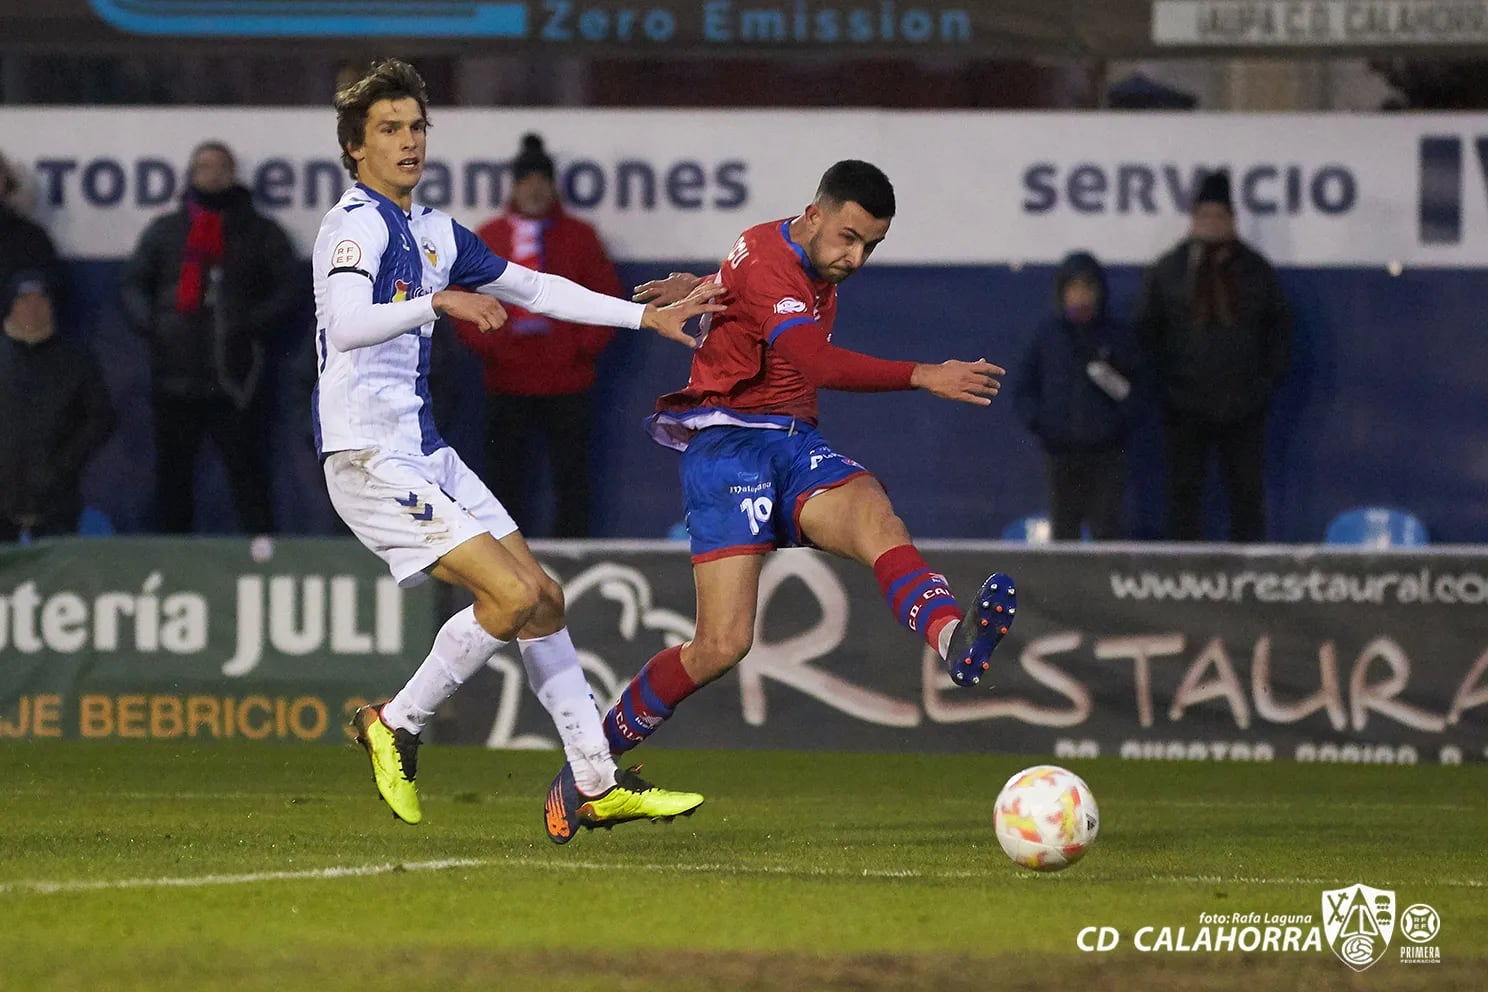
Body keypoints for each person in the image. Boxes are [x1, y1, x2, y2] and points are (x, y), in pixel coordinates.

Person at [314, 59, 722, 843]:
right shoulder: (353, 226)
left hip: (423, 449)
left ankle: (595, 784)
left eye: (416, 127)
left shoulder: (433, 230)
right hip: (366, 456)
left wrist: (644, 322)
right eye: (389, 130)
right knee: (505, 599)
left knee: (543, 599)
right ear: (356, 149)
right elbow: (347, 321)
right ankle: (392, 723)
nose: (408, 142)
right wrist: (439, 300)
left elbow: (534, 289)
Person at [596, 160, 1017, 764]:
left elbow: (753, 280)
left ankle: (953, 637)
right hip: (730, 447)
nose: (855, 259)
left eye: (871, 246)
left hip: (792, 442)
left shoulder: (781, 251)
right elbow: (814, 362)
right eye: (849, 238)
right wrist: (925, 374)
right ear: (814, 215)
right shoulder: (773, 262)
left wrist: (705, 284)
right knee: (721, 644)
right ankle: (591, 762)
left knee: (878, 518)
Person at [120, 140, 299, 535]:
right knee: (173, 480)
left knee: (249, 477)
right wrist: (154, 325)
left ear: (233, 174)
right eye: (204, 166)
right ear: (191, 173)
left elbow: (289, 287)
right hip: (175, 375)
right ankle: (172, 565)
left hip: (235, 378)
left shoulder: (259, 232)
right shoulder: (167, 231)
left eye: (221, 167)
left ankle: (261, 562)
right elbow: (133, 284)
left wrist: (251, 324)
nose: (212, 174)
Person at [453, 133, 620, 537]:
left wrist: (581, 349)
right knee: (504, 478)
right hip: (506, 381)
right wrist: (491, 347)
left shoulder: (579, 236)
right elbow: (460, 299)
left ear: (552, 186)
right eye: (525, 180)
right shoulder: (489, 236)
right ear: (513, 186)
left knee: (572, 478)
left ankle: (574, 554)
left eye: (541, 180)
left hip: (567, 381)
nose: (534, 188)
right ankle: (504, 556)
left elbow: (607, 296)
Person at [1133, 170, 1292, 542]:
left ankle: (1247, 582)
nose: (1211, 224)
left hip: (1245, 405)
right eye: (1204, 216)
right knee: (1183, 495)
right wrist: (1165, 386)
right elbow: (1146, 332)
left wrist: (1263, 385)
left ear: (1233, 221)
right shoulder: (1169, 270)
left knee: (1247, 496)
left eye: (1219, 217)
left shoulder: (1256, 271)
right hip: (1183, 404)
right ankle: (1181, 578)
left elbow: (1280, 332)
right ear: (1192, 221)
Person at [1011, 251, 1141, 541]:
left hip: (1107, 454)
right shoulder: (1047, 336)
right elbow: (1024, 387)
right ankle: (1062, 587)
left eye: (1088, 288)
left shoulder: (1117, 337)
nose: (1081, 296)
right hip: (1060, 453)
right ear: (1062, 292)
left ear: (1100, 292)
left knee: (1107, 529)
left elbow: (1139, 389)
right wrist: (1042, 423)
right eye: (1074, 288)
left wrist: (1117, 425)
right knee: (1064, 530)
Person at [0, 271, 116, 542]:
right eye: (23, 300)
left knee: (59, 580)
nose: (32, 308)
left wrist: (63, 464)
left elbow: (102, 418)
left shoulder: (75, 359)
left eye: (41, 300)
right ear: (10, 306)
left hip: (55, 501)